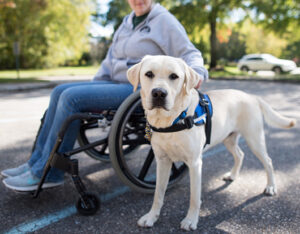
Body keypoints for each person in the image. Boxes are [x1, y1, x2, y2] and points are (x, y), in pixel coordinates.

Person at [1, 0, 208, 192]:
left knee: (71, 98)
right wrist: (93, 87)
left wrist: (197, 71)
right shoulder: (127, 22)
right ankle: (36, 163)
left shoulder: (163, 20)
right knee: (60, 91)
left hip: (137, 88)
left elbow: (190, 52)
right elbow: (110, 60)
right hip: (112, 82)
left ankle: (48, 173)